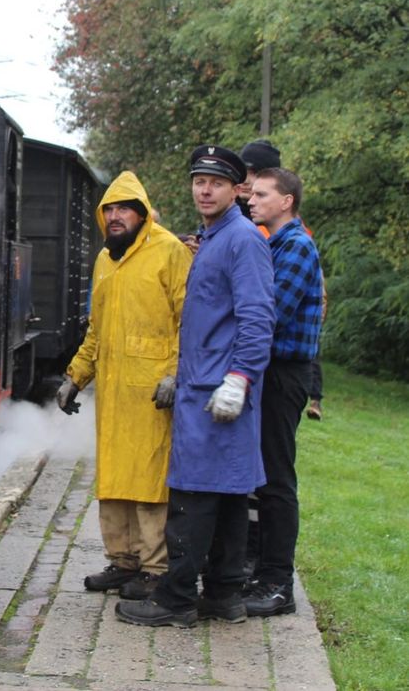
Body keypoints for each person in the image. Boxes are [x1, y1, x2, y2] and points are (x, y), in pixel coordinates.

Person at [116, 145, 275, 628]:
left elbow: (257, 316)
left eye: (217, 183)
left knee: (191, 499)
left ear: (236, 189)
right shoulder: (216, 237)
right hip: (208, 388)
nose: (204, 190)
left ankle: (176, 599)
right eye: (198, 181)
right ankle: (224, 596)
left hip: (216, 389)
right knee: (227, 498)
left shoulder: (241, 240)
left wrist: (239, 377)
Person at [57, 172, 193, 600]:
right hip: (114, 393)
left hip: (153, 393)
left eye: (124, 209)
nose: (115, 217)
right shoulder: (104, 260)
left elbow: (187, 322)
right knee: (115, 479)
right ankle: (123, 562)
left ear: (141, 213)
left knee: (150, 481)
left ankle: (155, 568)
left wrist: (176, 374)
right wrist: (74, 377)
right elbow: (97, 329)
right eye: (109, 210)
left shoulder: (170, 252)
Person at [245, 168, 323, 616]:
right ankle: (257, 571)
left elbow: (269, 311)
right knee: (260, 478)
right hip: (268, 371)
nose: (251, 200)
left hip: (284, 374)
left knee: (276, 480)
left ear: (286, 201)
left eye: (261, 194)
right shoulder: (273, 244)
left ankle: (278, 584)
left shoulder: (295, 247)